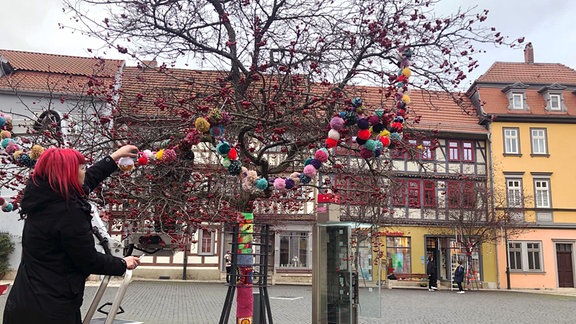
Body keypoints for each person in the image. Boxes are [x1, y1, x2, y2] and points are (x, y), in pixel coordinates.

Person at [3, 145, 141, 324]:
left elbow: (87, 180)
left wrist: (113, 158)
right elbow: (87, 259)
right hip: (51, 309)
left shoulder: (43, 197)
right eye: (82, 168)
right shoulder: (68, 212)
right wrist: (122, 263)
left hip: (24, 301)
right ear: (68, 174)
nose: (85, 172)